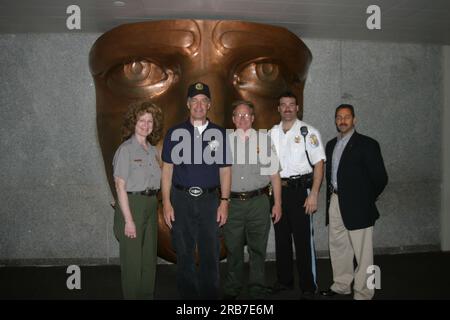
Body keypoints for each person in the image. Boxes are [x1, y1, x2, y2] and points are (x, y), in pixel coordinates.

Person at [161, 82, 231, 300]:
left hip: (210, 200)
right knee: (183, 251)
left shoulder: (219, 133)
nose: (199, 105)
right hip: (181, 199)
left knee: (210, 252)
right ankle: (188, 298)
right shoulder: (175, 132)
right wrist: (166, 202)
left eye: (203, 101)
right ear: (188, 104)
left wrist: (225, 201)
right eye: (195, 101)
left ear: (209, 105)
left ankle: (210, 297)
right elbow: (167, 171)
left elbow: (225, 170)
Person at [320, 104, 388, 300]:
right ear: (335, 120)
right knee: (338, 246)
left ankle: (365, 292)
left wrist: (366, 198)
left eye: (347, 117)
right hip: (335, 201)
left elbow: (380, 178)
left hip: (359, 205)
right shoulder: (331, 144)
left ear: (354, 120)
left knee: (363, 252)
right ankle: (341, 285)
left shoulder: (368, 144)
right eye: (339, 117)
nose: (342, 120)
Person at [222, 101, 282, 300]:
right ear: (233, 119)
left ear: (253, 118)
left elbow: (274, 175)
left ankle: (257, 286)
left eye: (246, 115)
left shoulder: (264, 140)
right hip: (233, 204)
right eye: (238, 115)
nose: (242, 119)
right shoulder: (224, 141)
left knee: (258, 248)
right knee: (233, 248)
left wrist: (278, 204)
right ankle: (233, 286)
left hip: (258, 202)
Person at [269, 91, 325, 299]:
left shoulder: (307, 132)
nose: (287, 108)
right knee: (281, 239)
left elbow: (319, 164)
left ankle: (309, 286)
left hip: (301, 191)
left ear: (297, 107)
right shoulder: (271, 133)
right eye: (283, 105)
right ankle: (284, 281)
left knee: (303, 242)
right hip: (278, 191)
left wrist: (314, 195)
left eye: (291, 104)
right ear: (278, 108)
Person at [112, 101, 163, 299]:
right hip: (132, 206)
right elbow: (120, 186)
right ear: (133, 122)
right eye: (141, 120)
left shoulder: (152, 151)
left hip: (150, 205)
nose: (145, 124)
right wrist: (129, 220)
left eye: (149, 121)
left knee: (149, 258)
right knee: (133, 261)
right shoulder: (126, 150)